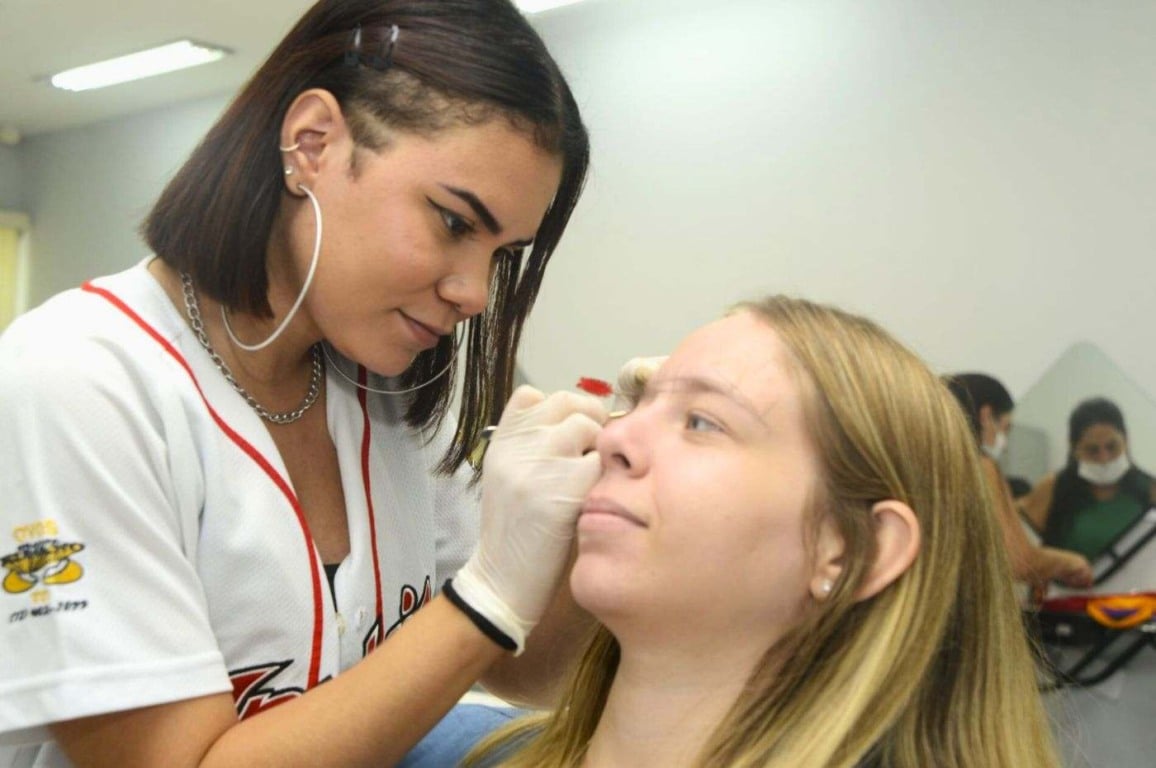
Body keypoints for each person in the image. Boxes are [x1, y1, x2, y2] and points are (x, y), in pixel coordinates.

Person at [0, 1, 607, 765]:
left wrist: (594, 528)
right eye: (455, 223)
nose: (477, 294)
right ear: (312, 143)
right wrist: (485, 598)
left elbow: (524, 668)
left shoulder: (402, 390)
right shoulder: (81, 380)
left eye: (503, 254)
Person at [467, 296, 1060, 768]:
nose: (614, 437)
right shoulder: (446, 746)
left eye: (701, 421)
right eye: (640, 406)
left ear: (850, 549)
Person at [945, 373, 1092, 594]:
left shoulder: (930, 466)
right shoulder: (980, 465)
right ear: (986, 416)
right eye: (1006, 428)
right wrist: (1072, 562)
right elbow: (1018, 560)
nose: (1004, 445)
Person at [1020, 397, 1156, 561]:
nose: (1104, 458)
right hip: (1066, 586)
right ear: (1074, 449)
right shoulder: (1053, 487)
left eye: (1112, 447)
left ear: (1126, 441)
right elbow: (1021, 546)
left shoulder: (1150, 488)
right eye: (1092, 450)